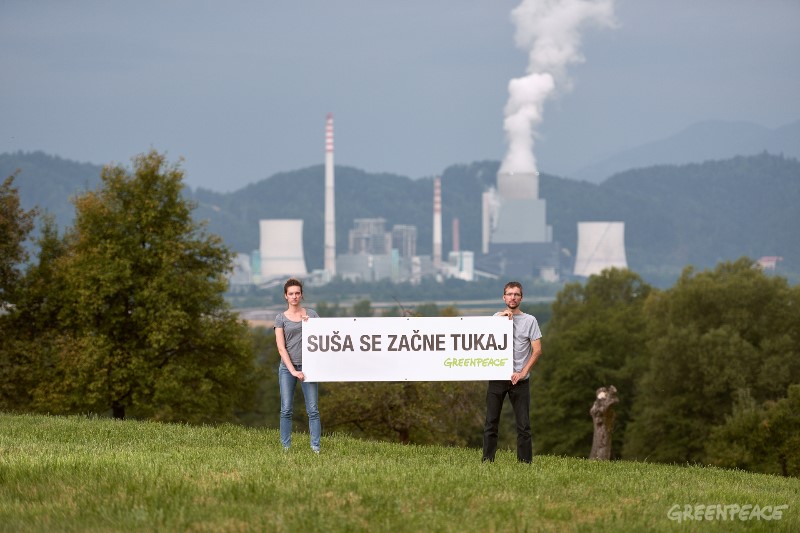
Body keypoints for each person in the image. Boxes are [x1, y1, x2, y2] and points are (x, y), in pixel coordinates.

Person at [482, 281, 543, 463]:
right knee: (491, 422)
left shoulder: (530, 320)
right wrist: (501, 318)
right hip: (498, 377)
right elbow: (482, 338)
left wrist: (523, 372)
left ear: (521, 298)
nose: (513, 297)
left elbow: (537, 350)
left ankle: (524, 463)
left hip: (520, 380)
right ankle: (487, 460)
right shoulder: (496, 317)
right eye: (509, 294)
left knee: (523, 425)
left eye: (516, 294)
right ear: (504, 297)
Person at [275, 277, 321, 453]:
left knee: (313, 409)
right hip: (288, 368)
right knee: (286, 409)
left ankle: (315, 447)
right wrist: (293, 370)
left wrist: (312, 324)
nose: (294, 296)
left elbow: (324, 338)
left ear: (301, 295)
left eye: (297, 293)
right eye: (291, 294)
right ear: (285, 296)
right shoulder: (280, 318)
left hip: (309, 367)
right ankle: (286, 447)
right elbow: (281, 347)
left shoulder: (312, 314)